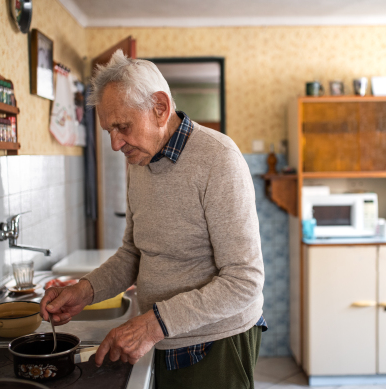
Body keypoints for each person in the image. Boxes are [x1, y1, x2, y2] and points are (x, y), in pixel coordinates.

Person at [40, 49, 266, 388]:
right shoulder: (139, 161)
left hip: (215, 344)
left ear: (160, 108)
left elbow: (245, 280)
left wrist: (152, 324)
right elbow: (133, 253)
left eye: (122, 127)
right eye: (108, 130)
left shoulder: (219, 159)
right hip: (162, 336)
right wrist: (84, 291)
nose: (116, 144)